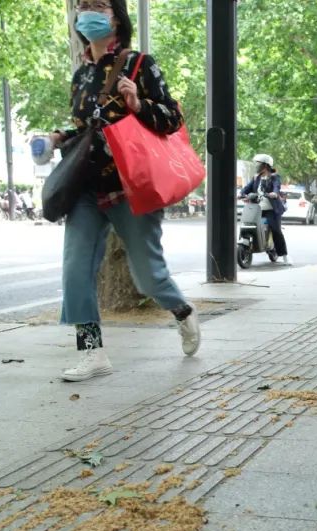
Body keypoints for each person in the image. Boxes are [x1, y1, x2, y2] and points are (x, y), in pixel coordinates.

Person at [47, 0, 200, 382]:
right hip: (87, 187)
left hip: (132, 186)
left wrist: (138, 104)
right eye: (82, 6)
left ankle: (181, 311)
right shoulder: (81, 74)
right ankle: (92, 351)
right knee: (75, 269)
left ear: (116, 17)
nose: (87, 12)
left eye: (97, 5)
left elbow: (172, 119)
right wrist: (61, 137)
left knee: (148, 276)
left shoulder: (139, 64)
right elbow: (88, 127)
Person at [239, 153, 289, 263]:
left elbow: (277, 187)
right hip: (257, 209)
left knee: (276, 230)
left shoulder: (274, 177)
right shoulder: (256, 178)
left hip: (271, 210)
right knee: (248, 224)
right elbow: (247, 189)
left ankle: (285, 255)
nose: (256, 166)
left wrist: (274, 193)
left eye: (258, 164)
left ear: (266, 165)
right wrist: (241, 194)